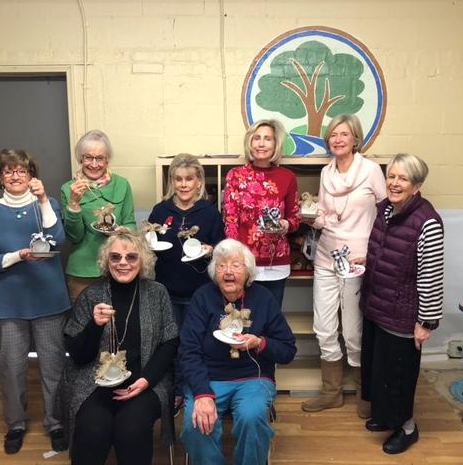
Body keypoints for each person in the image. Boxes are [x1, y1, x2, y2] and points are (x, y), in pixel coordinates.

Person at [0, 149, 70, 454]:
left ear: (31, 175)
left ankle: (55, 423)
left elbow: (58, 240)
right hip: (8, 305)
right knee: (12, 367)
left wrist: (43, 200)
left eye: (22, 170)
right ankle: (15, 424)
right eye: (8, 171)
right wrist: (18, 255)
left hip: (49, 299)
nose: (15, 176)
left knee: (53, 366)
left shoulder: (48, 203)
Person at [61, 232, 179, 465]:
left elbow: (170, 342)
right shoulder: (91, 295)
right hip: (95, 382)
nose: (123, 263)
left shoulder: (157, 293)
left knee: (132, 430)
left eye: (131, 257)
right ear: (107, 261)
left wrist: (146, 380)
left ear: (142, 260)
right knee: (93, 431)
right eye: (115, 257)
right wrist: (94, 325)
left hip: (144, 381)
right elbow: (78, 354)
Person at [179, 238, 297, 465]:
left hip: (253, 378)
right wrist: (202, 394)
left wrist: (259, 343)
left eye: (236, 265)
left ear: (248, 271)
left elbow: (288, 350)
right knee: (197, 423)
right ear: (214, 272)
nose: (228, 272)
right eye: (221, 265)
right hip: (208, 378)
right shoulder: (203, 297)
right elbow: (188, 350)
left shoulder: (263, 298)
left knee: (251, 418)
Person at [301, 115, 386, 417]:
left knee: (352, 331)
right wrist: (311, 217)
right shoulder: (326, 172)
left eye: (344, 134)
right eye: (333, 134)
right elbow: (325, 216)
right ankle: (331, 392)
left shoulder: (371, 170)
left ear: (355, 139)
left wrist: (376, 253)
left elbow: (386, 215)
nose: (338, 139)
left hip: (356, 261)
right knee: (323, 327)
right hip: (326, 256)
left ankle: (365, 392)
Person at [360, 153, 444, 454]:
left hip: (402, 313)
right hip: (377, 305)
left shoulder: (427, 222)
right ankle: (386, 417)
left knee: (398, 375)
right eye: (391, 176)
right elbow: (384, 252)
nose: (394, 183)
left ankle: (407, 427)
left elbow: (431, 276)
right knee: (379, 370)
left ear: (417, 185)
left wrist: (426, 322)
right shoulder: (385, 209)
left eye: (403, 178)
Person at [148, 153, 225, 408]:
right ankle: (175, 391)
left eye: (189, 179)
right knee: (171, 343)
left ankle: (194, 389)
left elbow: (221, 248)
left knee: (195, 343)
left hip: (200, 293)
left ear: (198, 181)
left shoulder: (209, 213)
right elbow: (149, 243)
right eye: (178, 179)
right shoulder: (161, 210)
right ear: (172, 181)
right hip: (166, 292)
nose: (183, 184)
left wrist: (211, 249)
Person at [223, 119, 300, 308]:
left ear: (275, 144)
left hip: (276, 263)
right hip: (244, 262)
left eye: (267, 139)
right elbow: (230, 220)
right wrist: (235, 257)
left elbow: (295, 218)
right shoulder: (235, 175)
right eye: (257, 138)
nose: (261, 143)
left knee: (271, 318)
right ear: (250, 142)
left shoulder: (288, 177)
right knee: (240, 318)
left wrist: (285, 225)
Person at [61, 129, 137, 303]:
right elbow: (74, 236)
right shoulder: (69, 188)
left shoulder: (122, 184)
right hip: (82, 271)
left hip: (118, 267)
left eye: (100, 158)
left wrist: (124, 231)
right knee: (84, 319)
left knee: (119, 317)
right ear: (80, 158)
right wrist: (74, 203)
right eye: (88, 157)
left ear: (107, 159)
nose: (94, 164)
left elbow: (131, 223)